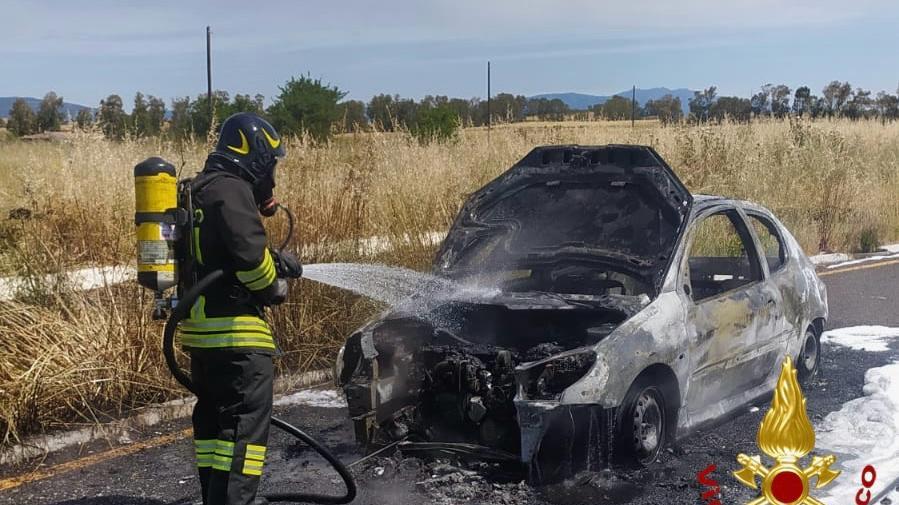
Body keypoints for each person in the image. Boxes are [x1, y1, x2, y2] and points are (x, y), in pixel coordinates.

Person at [182, 112, 302, 505]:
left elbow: (221, 256)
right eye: (271, 165)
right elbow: (253, 268)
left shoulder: (197, 191)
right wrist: (276, 282)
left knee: (215, 433)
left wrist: (272, 258)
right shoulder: (232, 190)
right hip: (239, 342)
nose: (272, 175)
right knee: (244, 443)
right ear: (256, 159)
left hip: (203, 341)